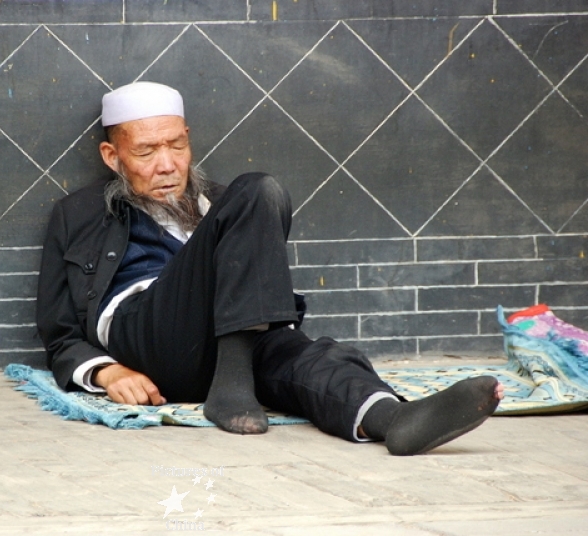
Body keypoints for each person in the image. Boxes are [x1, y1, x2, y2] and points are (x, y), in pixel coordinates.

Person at [37, 81, 504, 455]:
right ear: (112, 156)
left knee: (310, 358)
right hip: (148, 335)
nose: (167, 165)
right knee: (259, 188)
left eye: (177, 146)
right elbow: (59, 331)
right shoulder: (77, 215)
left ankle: (391, 420)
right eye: (145, 152)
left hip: (227, 337)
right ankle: (234, 387)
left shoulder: (223, 204)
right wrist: (106, 373)